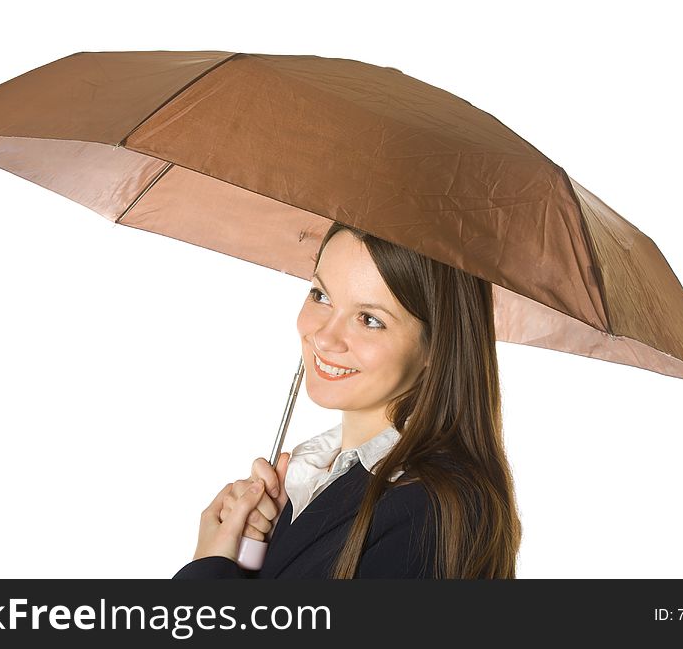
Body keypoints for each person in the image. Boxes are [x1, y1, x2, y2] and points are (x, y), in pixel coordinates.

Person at [172, 221, 522, 579]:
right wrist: (248, 554)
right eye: (321, 296)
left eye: (369, 319)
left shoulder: (429, 514)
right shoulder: (311, 484)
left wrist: (208, 567)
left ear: (436, 346)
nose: (324, 337)